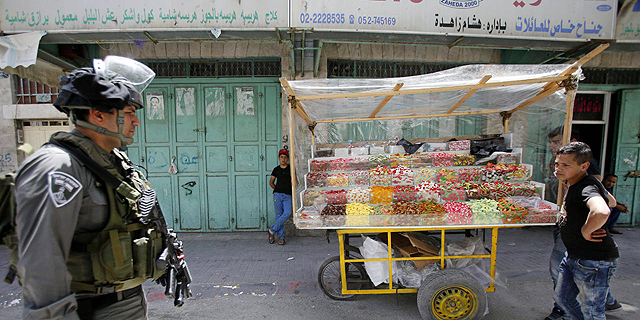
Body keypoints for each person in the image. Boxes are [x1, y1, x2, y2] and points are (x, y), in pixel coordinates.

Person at [14, 56, 165, 319]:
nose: (136, 122)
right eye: (129, 113)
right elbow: (41, 261)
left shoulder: (110, 158)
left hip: (122, 301)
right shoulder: (58, 167)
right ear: (97, 115)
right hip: (90, 308)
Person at [543, 127, 620, 320]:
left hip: (593, 260)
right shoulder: (577, 182)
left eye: (565, 165)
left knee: (593, 311)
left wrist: (587, 230)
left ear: (584, 166)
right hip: (574, 255)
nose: (558, 169)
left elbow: (603, 210)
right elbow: (611, 201)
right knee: (563, 299)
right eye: (557, 164)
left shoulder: (586, 187)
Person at [268, 149, 292, 245]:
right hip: (277, 195)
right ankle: (281, 237)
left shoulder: (290, 168)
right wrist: (277, 189)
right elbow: (271, 182)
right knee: (279, 215)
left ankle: (272, 230)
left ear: (287, 159)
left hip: (288, 195)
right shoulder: (276, 169)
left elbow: (295, 180)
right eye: (281, 157)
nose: (283, 159)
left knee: (287, 212)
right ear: (279, 158)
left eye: (285, 157)